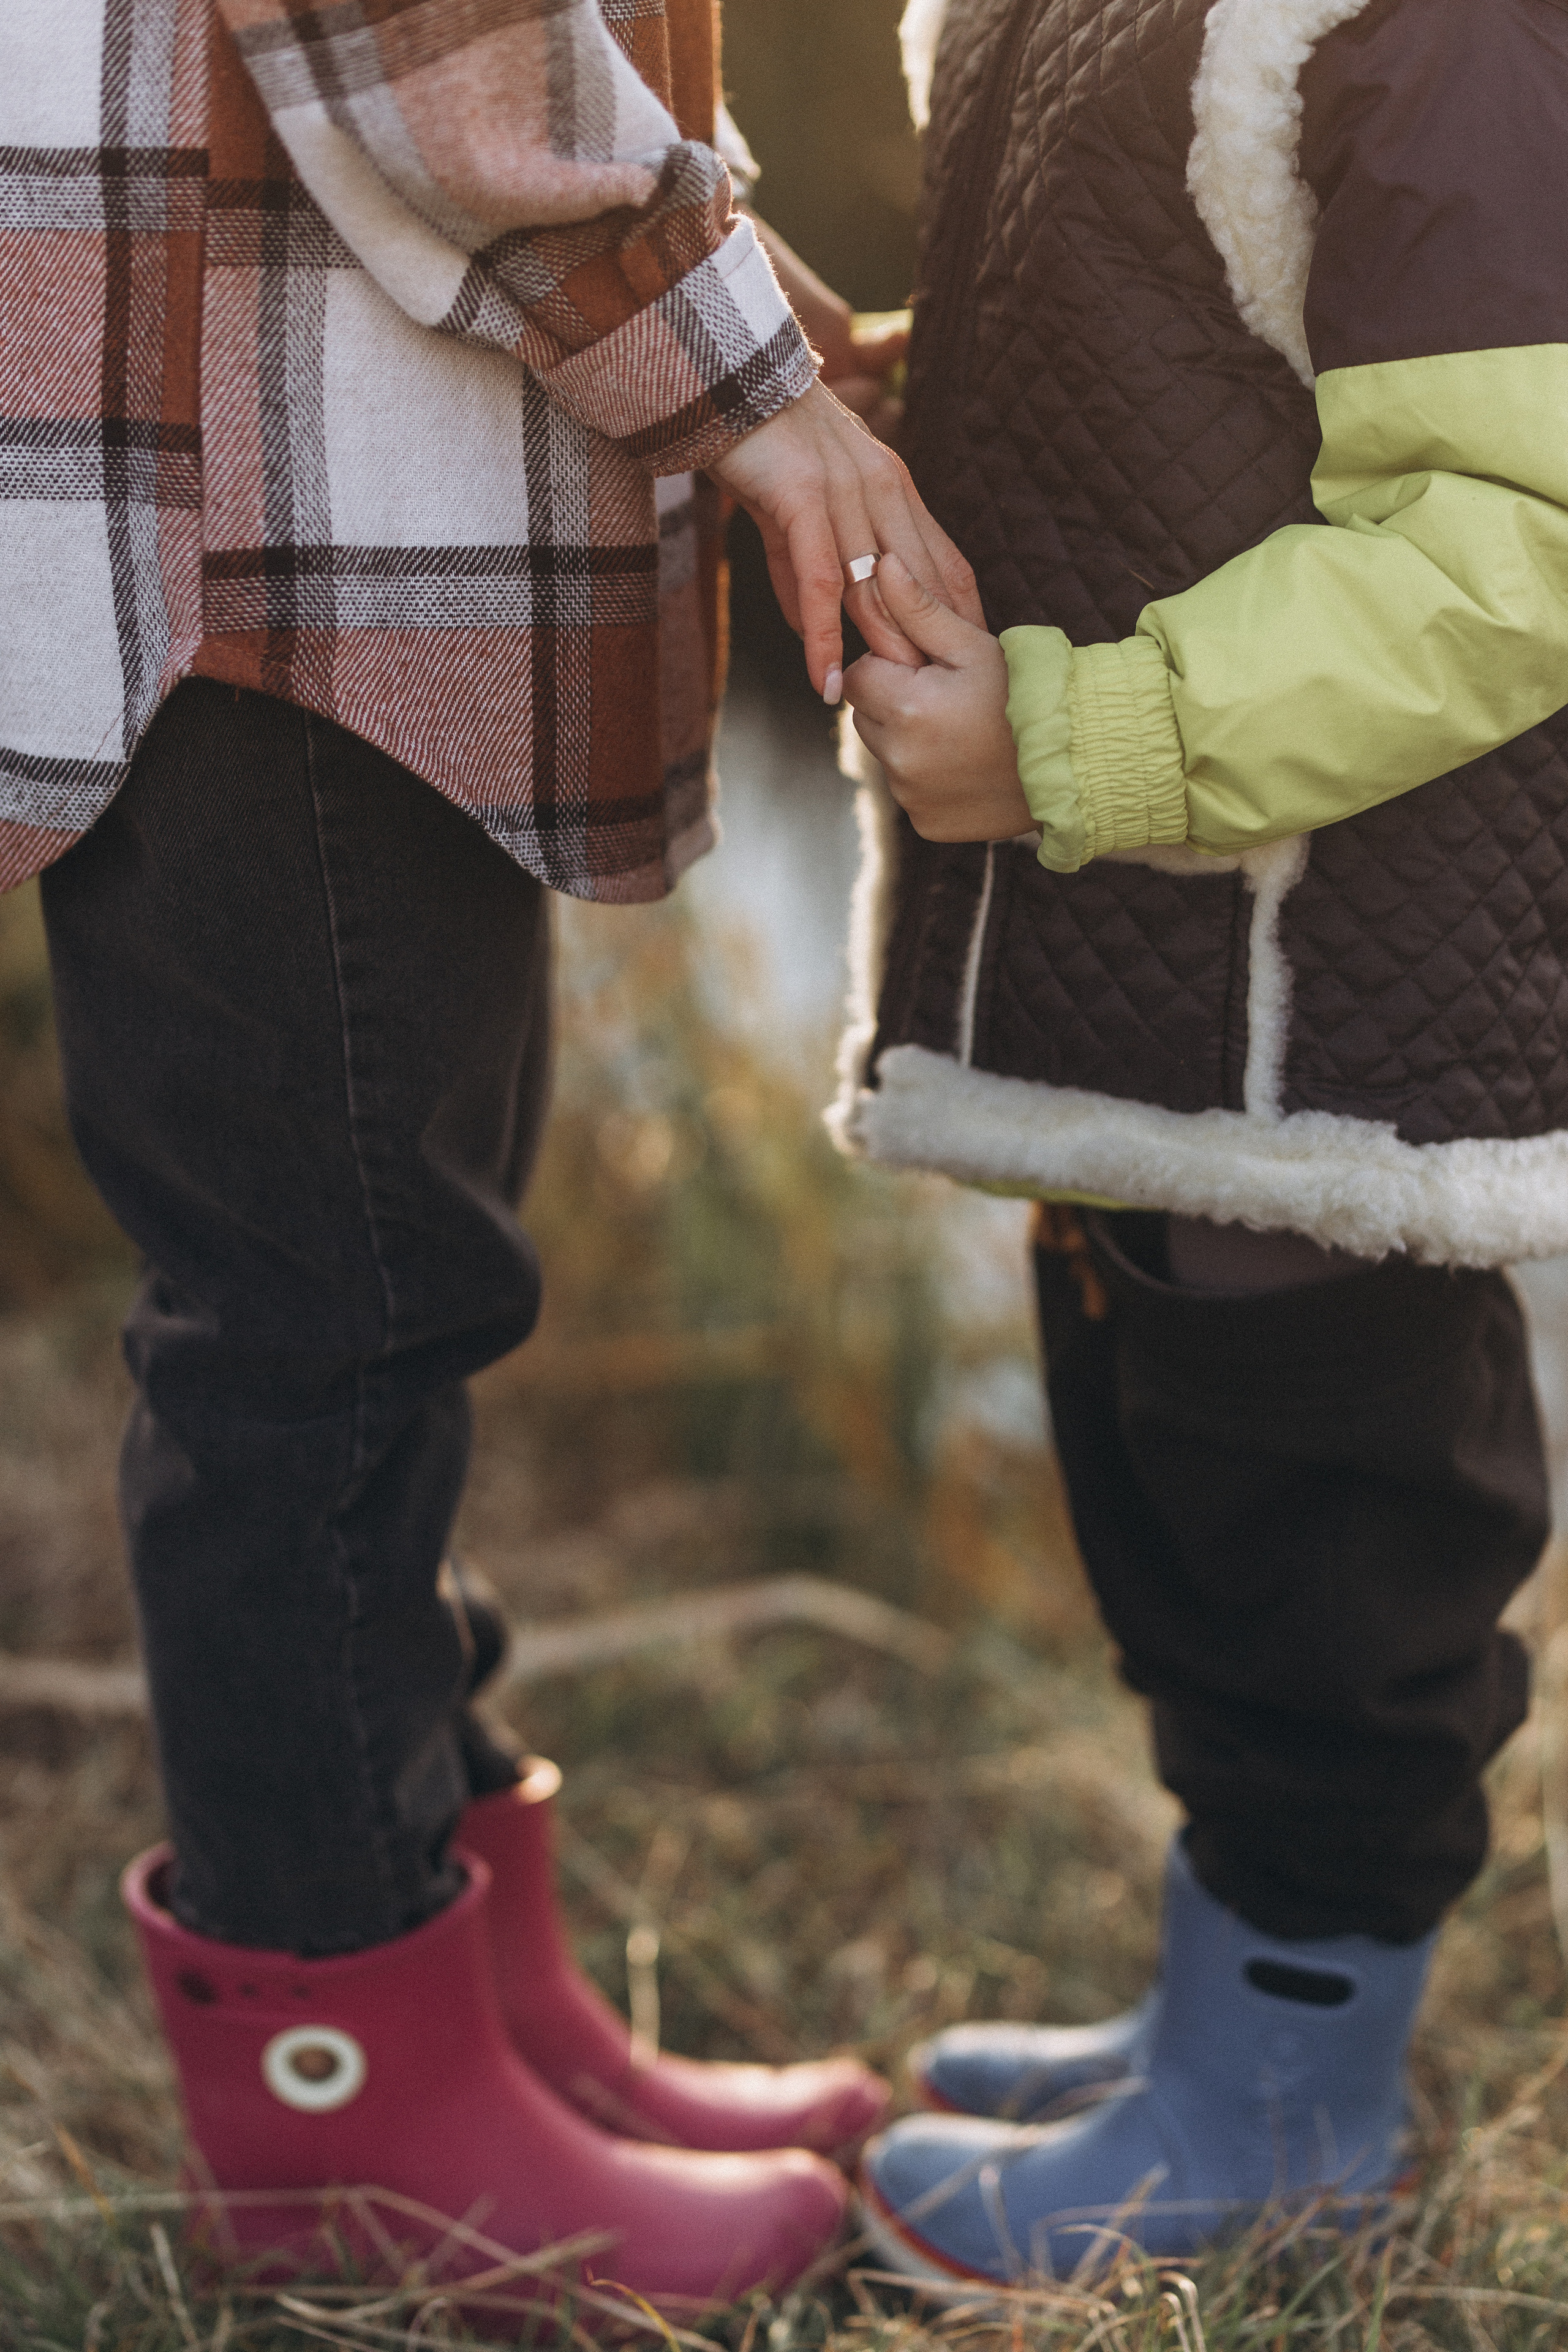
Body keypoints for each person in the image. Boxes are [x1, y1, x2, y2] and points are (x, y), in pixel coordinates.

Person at [2, 0, 979, 2305]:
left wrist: (782, 321)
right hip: (272, 539)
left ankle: (470, 1999)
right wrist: (745, 386)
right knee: (315, 1338)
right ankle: (349, 2097)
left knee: (390, 1291)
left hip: (339, 513)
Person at [837, 0, 1568, 2284]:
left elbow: (1510, 538)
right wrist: (914, 381)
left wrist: (1081, 737)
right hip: (1143, 965)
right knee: (1163, 1464)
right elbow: (1177, 321)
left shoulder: (1445, 34)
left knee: (1318, 1530)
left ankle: (1287, 2110)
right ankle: (1221, 2000)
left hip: (1330, 960)